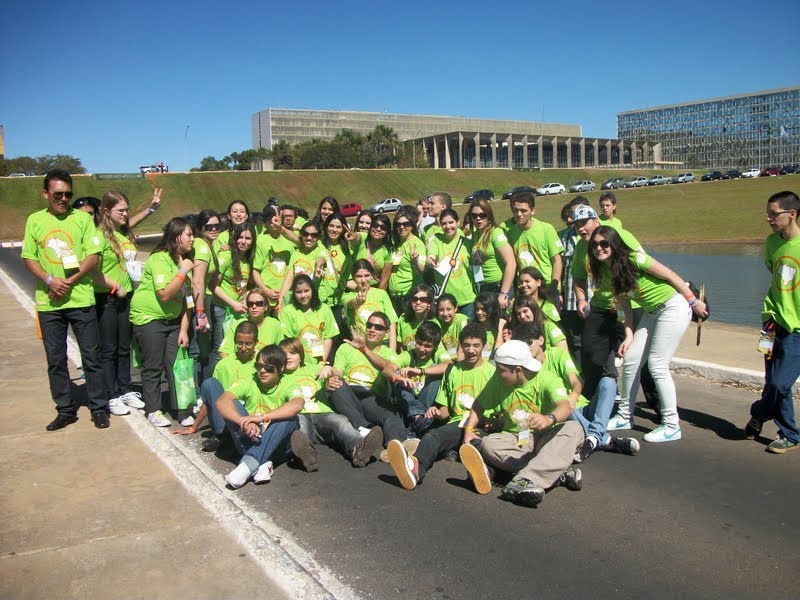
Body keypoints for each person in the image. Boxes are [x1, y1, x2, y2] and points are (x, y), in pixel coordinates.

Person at [591, 226, 707, 442]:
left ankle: (672, 425)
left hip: (673, 306)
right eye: (595, 244)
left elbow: (672, 276)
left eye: (604, 243)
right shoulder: (606, 273)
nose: (599, 248)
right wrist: (629, 335)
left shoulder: (635, 259)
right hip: (652, 312)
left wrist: (693, 301)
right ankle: (625, 416)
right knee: (632, 359)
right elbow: (626, 306)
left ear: (614, 244)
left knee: (657, 364)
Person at [22, 170, 109, 430]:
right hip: (50, 302)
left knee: (91, 357)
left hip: (80, 299)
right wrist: (51, 281)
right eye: (57, 194)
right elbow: (29, 257)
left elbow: (93, 255)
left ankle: (99, 407)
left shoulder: (82, 219)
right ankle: (65, 409)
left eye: (68, 194)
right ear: (46, 194)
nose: (63, 199)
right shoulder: (35, 220)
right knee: (55, 359)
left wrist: (69, 281)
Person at [460, 340, 584, 507]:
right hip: (515, 440)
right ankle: (552, 473)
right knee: (488, 443)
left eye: (501, 370)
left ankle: (523, 480)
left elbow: (565, 406)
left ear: (518, 370)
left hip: (547, 439)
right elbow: (479, 404)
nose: (496, 373)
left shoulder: (547, 378)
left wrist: (549, 418)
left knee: (574, 429)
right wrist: (468, 429)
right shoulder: (498, 380)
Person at [386, 324, 496, 490]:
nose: (471, 350)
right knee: (433, 436)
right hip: (458, 424)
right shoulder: (453, 371)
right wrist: (437, 412)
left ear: (484, 346)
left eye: (476, 345)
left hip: (483, 424)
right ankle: (415, 469)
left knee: (480, 447)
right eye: (466, 345)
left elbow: (500, 409)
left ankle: (485, 474)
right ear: (460, 345)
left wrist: (496, 422)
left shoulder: (492, 373)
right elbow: (445, 412)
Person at [510, 322, 638, 462]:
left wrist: (574, 395)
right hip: (562, 414)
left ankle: (595, 437)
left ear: (541, 340)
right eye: (523, 345)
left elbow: (576, 382)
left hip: (580, 407)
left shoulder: (556, 353)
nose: (528, 348)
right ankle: (602, 439)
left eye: (529, 342)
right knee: (565, 408)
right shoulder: (524, 369)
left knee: (608, 382)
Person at [744, 190, 800, 453]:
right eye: (767, 213)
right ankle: (789, 434)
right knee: (771, 379)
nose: (768, 218)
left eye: (773, 214)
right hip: (769, 323)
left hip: (796, 327)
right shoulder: (771, 243)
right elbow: (775, 276)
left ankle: (759, 411)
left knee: (781, 383)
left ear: (792, 214)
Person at [278, 338, 384, 470]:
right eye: (284, 354)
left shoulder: (313, 369)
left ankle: (359, 448)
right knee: (300, 431)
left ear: (301, 356)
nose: (288, 357)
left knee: (340, 423)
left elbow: (329, 376)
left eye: (293, 353)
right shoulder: (278, 377)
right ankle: (307, 457)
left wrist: (328, 370)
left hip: (323, 413)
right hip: (300, 414)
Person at [129, 217, 194, 427]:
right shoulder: (160, 259)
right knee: (153, 365)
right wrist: (183, 271)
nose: (193, 239)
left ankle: (182, 410)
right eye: (189, 235)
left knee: (176, 364)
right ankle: (153, 409)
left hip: (173, 321)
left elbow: (187, 303)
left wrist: (184, 330)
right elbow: (165, 294)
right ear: (177, 237)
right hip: (149, 318)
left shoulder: (182, 261)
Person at [214, 345, 302, 489]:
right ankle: (263, 463)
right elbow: (222, 401)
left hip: (277, 442)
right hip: (252, 435)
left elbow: (297, 404)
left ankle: (248, 465)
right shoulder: (250, 380)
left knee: (289, 418)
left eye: (269, 368)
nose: (262, 371)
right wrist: (242, 420)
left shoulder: (288, 383)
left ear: (280, 369)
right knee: (233, 405)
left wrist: (263, 417)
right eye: (258, 366)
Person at [92, 191, 146, 417]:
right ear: (106, 211)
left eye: (127, 210)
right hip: (107, 298)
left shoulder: (123, 236)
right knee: (109, 349)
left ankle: (125, 389)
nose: (125, 214)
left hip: (126, 298)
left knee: (124, 347)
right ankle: (111, 394)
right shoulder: (98, 237)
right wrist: (115, 286)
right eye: (120, 211)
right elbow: (93, 273)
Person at [326, 311, 413, 449]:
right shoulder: (346, 347)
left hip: (371, 397)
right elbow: (338, 372)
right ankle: (366, 428)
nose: (372, 329)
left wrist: (364, 350)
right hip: (349, 393)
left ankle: (395, 449)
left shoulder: (389, 354)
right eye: (370, 325)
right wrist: (330, 375)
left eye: (378, 327)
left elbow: (387, 367)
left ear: (386, 333)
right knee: (337, 384)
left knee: (392, 418)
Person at [174, 320, 258, 446]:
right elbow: (210, 399)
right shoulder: (224, 364)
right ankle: (222, 435)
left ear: (256, 343)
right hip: (229, 416)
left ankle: (235, 440)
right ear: (234, 341)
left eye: (248, 344)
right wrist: (194, 427)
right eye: (240, 343)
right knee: (209, 383)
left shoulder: (261, 364)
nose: (243, 348)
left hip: (251, 418)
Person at [386, 321, 451, 437]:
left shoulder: (438, 354)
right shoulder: (409, 355)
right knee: (398, 376)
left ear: (435, 346)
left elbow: (448, 365)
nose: (421, 349)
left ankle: (416, 421)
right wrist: (400, 378)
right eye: (419, 343)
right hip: (409, 399)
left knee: (435, 371)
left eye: (427, 346)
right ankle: (418, 418)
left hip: (429, 401)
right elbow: (388, 369)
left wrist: (421, 371)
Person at [190, 209, 224, 386]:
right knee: (198, 350)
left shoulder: (207, 244)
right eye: (208, 226)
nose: (214, 229)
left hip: (202, 300)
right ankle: (196, 392)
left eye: (217, 226)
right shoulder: (202, 247)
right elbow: (198, 281)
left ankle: (202, 387)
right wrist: (201, 313)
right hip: (199, 302)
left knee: (204, 348)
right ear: (200, 227)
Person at [505, 191, 563, 292]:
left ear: (532, 211)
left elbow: (557, 260)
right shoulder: (511, 233)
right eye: (516, 210)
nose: (519, 214)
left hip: (547, 286)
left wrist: (554, 285)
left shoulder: (546, 229)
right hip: (524, 288)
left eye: (523, 211)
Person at [465, 199, 516, 309]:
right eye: (474, 215)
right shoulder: (475, 234)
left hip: (499, 287)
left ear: (489, 215)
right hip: (484, 287)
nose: (478, 218)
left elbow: (511, 263)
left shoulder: (496, 233)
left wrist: (504, 293)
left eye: (482, 215)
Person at [426, 208, 476, 319]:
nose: (448, 227)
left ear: (458, 222)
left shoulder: (467, 243)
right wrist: (431, 260)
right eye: (444, 223)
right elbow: (430, 257)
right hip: (446, 302)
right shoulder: (436, 241)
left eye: (451, 222)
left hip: (467, 299)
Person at [279, 274, 339, 364]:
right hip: (297, 364)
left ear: (312, 290)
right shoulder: (287, 311)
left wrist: (322, 362)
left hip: (318, 363)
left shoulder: (324, 309)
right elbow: (287, 341)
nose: (303, 295)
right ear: (293, 293)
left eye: (306, 291)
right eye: (298, 292)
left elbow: (328, 337)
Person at [211, 222, 258, 331]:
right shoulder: (226, 256)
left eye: (248, 238)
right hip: (222, 309)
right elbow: (213, 285)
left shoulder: (248, 260)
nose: (243, 241)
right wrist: (233, 304)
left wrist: (245, 300)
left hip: (239, 309)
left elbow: (247, 287)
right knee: (221, 345)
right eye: (240, 237)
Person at [341, 259, 397, 347]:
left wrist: (392, 353)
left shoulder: (381, 294)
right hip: (360, 343)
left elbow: (392, 324)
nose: (363, 280)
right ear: (353, 277)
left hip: (382, 343)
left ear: (372, 276)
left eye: (366, 275)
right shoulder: (347, 296)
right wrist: (357, 302)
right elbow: (350, 304)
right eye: (359, 276)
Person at [218, 288, 284, 359]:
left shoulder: (274, 324)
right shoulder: (238, 324)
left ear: (266, 307)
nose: (254, 307)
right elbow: (223, 352)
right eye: (250, 304)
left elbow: (282, 351)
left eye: (259, 303)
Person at [252, 205, 295, 309]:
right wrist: (266, 291)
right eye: (269, 218)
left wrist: (284, 293)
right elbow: (255, 271)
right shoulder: (260, 240)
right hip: (265, 295)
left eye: (276, 217)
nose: (273, 220)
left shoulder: (289, 239)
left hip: (285, 295)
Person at [276, 221, 326, 308]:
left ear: (318, 237)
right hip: (298, 300)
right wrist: (280, 300)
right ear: (301, 235)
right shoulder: (296, 253)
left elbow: (321, 259)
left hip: (315, 301)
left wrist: (318, 267)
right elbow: (289, 278)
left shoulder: (321, 250)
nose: (309, 238)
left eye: (314, 235)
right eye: (306, 234)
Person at [388, 206, 426, 311]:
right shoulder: (396, 243)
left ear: (412, 226)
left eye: (406, 224)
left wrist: (415, 262)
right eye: (398, 224)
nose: (402, 227)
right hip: (394, 297)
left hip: (408, 296)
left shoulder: (417, 244)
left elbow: (422, 269)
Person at [348, 212, 393, 289]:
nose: (378, 229)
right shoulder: (364, 238)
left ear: (387, 232)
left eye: (383, 227)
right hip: (355, 287)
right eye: (375, 225)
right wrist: (354, 236)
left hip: (374, 289)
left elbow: (384, 281)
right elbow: (358, 236)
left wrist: (376, 297)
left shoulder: (387, 250)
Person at [397, 284, 436, 352]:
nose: (418, 302)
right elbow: (400, 346)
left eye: (423, 299)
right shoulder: (403, 319)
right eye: (414, 299)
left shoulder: (434, 323)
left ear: (429, 304)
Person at [435, 293, 469, 358]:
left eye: (448, 309)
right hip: (447, 360)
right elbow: (440, 348)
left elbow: (464, 345)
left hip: (463, 359)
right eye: (441, 310)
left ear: (455, 308)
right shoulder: (437, 323)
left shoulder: (462, 320)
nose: (445, 314)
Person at [474, 291, 504, 359]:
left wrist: (500, 329)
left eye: (483, 309)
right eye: (477, 309)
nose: (479, 312)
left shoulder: (502, 326)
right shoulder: (474, 328)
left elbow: (499, 354)